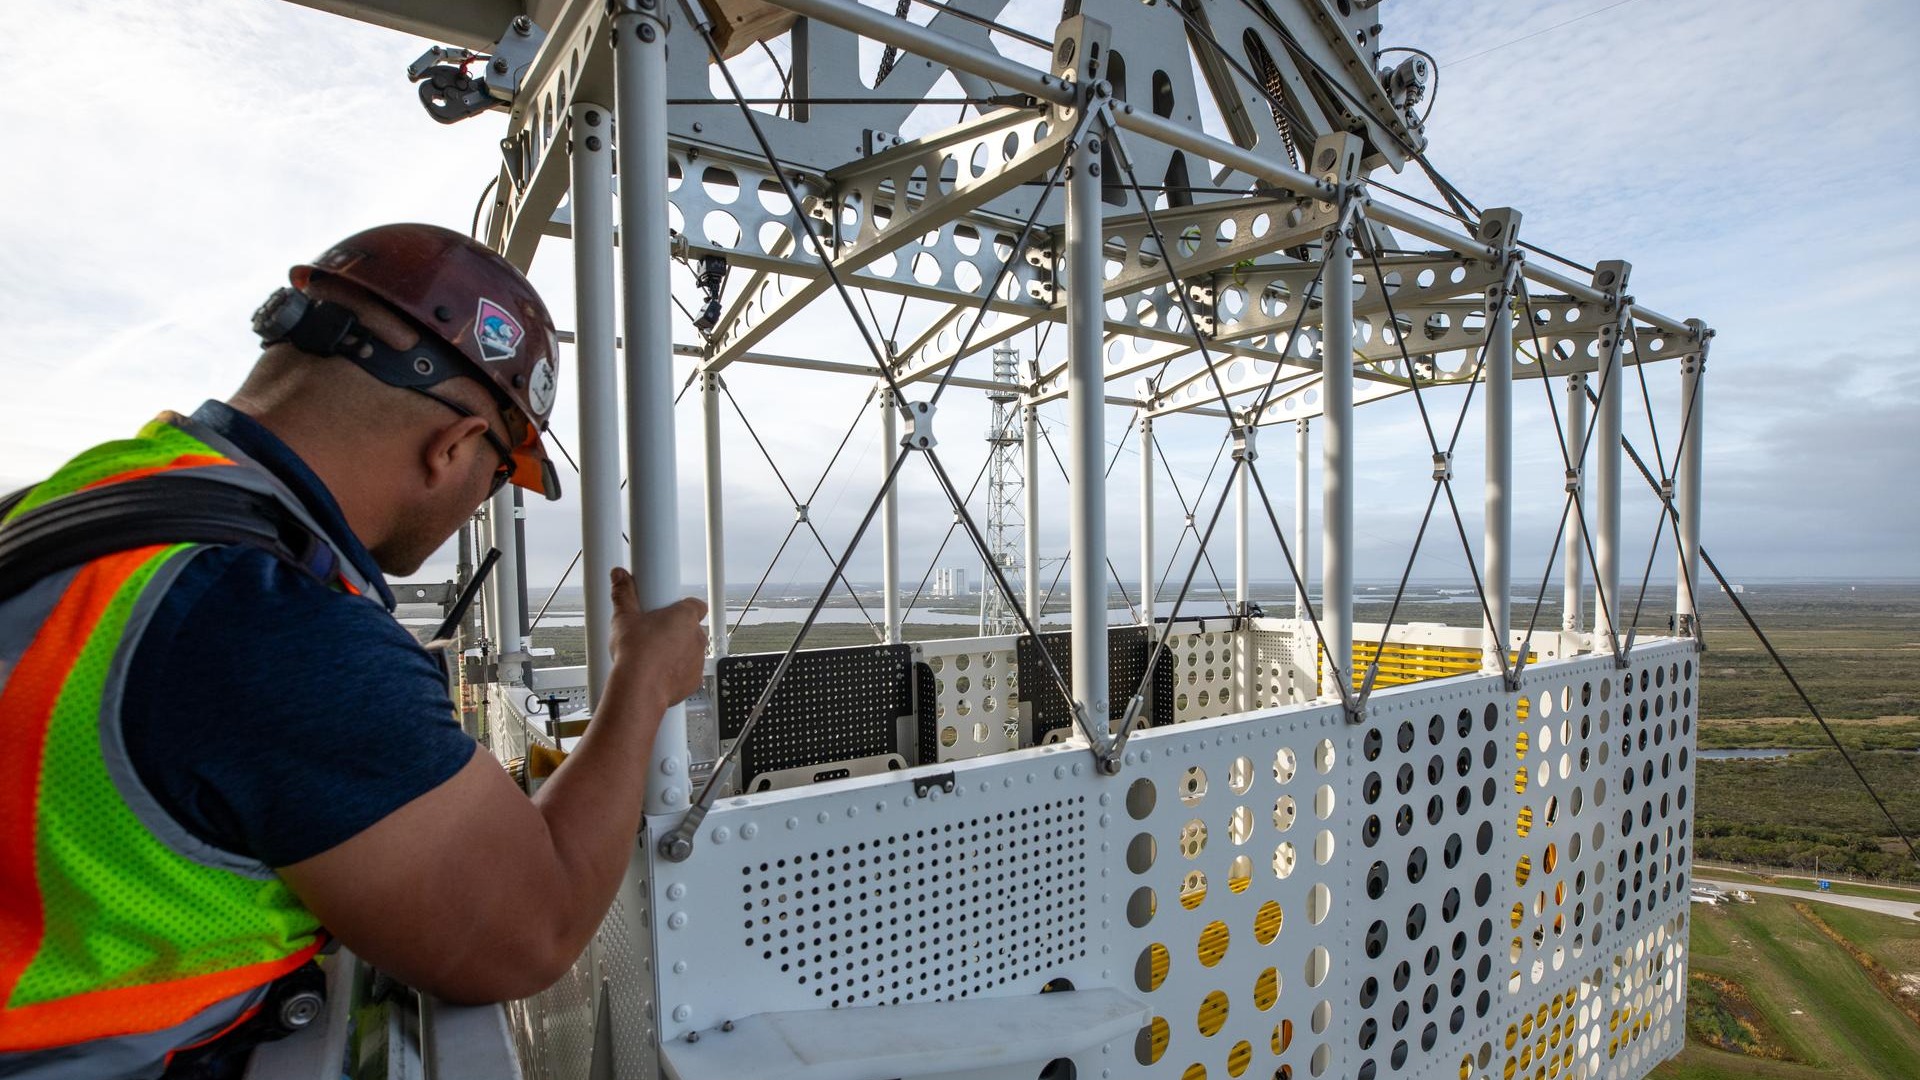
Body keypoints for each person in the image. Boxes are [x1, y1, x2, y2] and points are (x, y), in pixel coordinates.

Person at [0, 224, 708, 1078]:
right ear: (452, 448)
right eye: (496, 477)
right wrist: (642, 684)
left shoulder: (79, 499)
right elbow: (532, 931)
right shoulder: (267, 621)